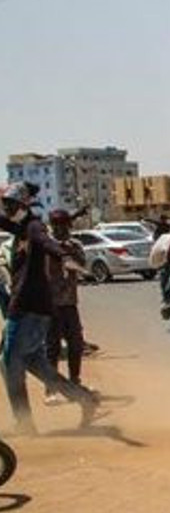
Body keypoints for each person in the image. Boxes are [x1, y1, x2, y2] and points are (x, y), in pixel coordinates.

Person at [0, 183, 99, 433]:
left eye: (10, 205)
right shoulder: (20, 227)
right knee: (35, 364)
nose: (6, 210)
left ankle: (24, 423)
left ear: (23, 205)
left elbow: (46, 242)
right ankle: (83, 398)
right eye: (5, 205)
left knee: (10, 363)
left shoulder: (33, 227)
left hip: (27, 308)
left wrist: (64, 257)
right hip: (34, 309)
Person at [44, 208, 90, 404]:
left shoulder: (74, 245)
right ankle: (51, 389)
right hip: (50, 303)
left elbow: (81, 263)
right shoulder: (45, 245)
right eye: (57, 226)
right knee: (52, 347)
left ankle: (74, 381)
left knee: (75, 344)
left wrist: (68, 249)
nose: (61, 229)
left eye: (64, 225)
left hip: (70, 302)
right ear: (52, 227)